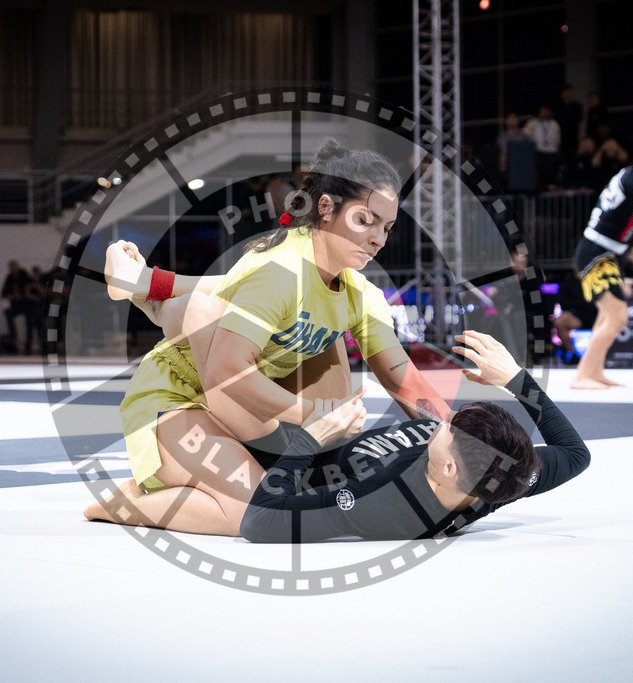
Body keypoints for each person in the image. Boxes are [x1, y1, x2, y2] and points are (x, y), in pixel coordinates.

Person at [93, 140, 453, 535]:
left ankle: (147, 289)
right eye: (365, 221)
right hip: (176, 400)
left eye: (386, 227)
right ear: (327, 208)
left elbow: (404, 378)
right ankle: (125, 504)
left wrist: (462, 438)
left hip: (245, 407)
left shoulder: (359, 292)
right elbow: (225, 373)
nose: (378, 238)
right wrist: (314, 419)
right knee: (255, 511)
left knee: (324, 331)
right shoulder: (279, 270)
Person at [86, 285, 590, 542]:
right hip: (315, 434)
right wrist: (516, 379)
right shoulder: (506, 473)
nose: (442, 420)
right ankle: (158, 301)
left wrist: (309, 439)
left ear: (451, 467)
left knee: (236, 509)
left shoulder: (385, 503)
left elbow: (262, 522)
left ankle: (118, 503)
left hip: (279, 453)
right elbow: (575, 454)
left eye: (446, 430)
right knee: (327, 316)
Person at [569, 160, 633, 389]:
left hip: (606, 253)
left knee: (606, 317)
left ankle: (595, 371)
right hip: (597, 251)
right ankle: (582, 376)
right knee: (617, 318)